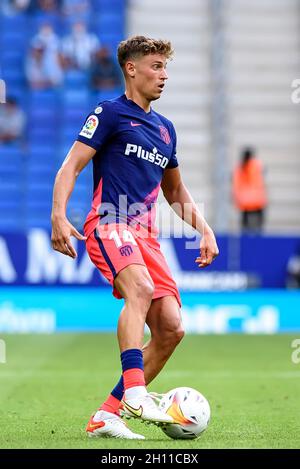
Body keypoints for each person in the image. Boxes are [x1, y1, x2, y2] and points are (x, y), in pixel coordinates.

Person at [51, 36, 219, 440]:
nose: (164, 76)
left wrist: (205, 229)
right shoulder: (109, 113)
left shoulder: (165, 130)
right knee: (139, 289)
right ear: (131, 68)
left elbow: (174, 192)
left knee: (172, 329)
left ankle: (107, 414)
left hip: (147, 235)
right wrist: (59, 214)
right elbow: (71, 165)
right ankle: (137, 392)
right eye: (156, 67)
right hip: (110, 222)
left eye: (166, 68)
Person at [232, 147, 267, 233]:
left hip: (246, 202)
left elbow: (236, 185)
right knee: (258, 224)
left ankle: (247, 235)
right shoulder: (256, 165)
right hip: (257, 200)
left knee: (246, 225)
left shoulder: (240, 167)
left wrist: (236, 198)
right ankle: (257, 235)